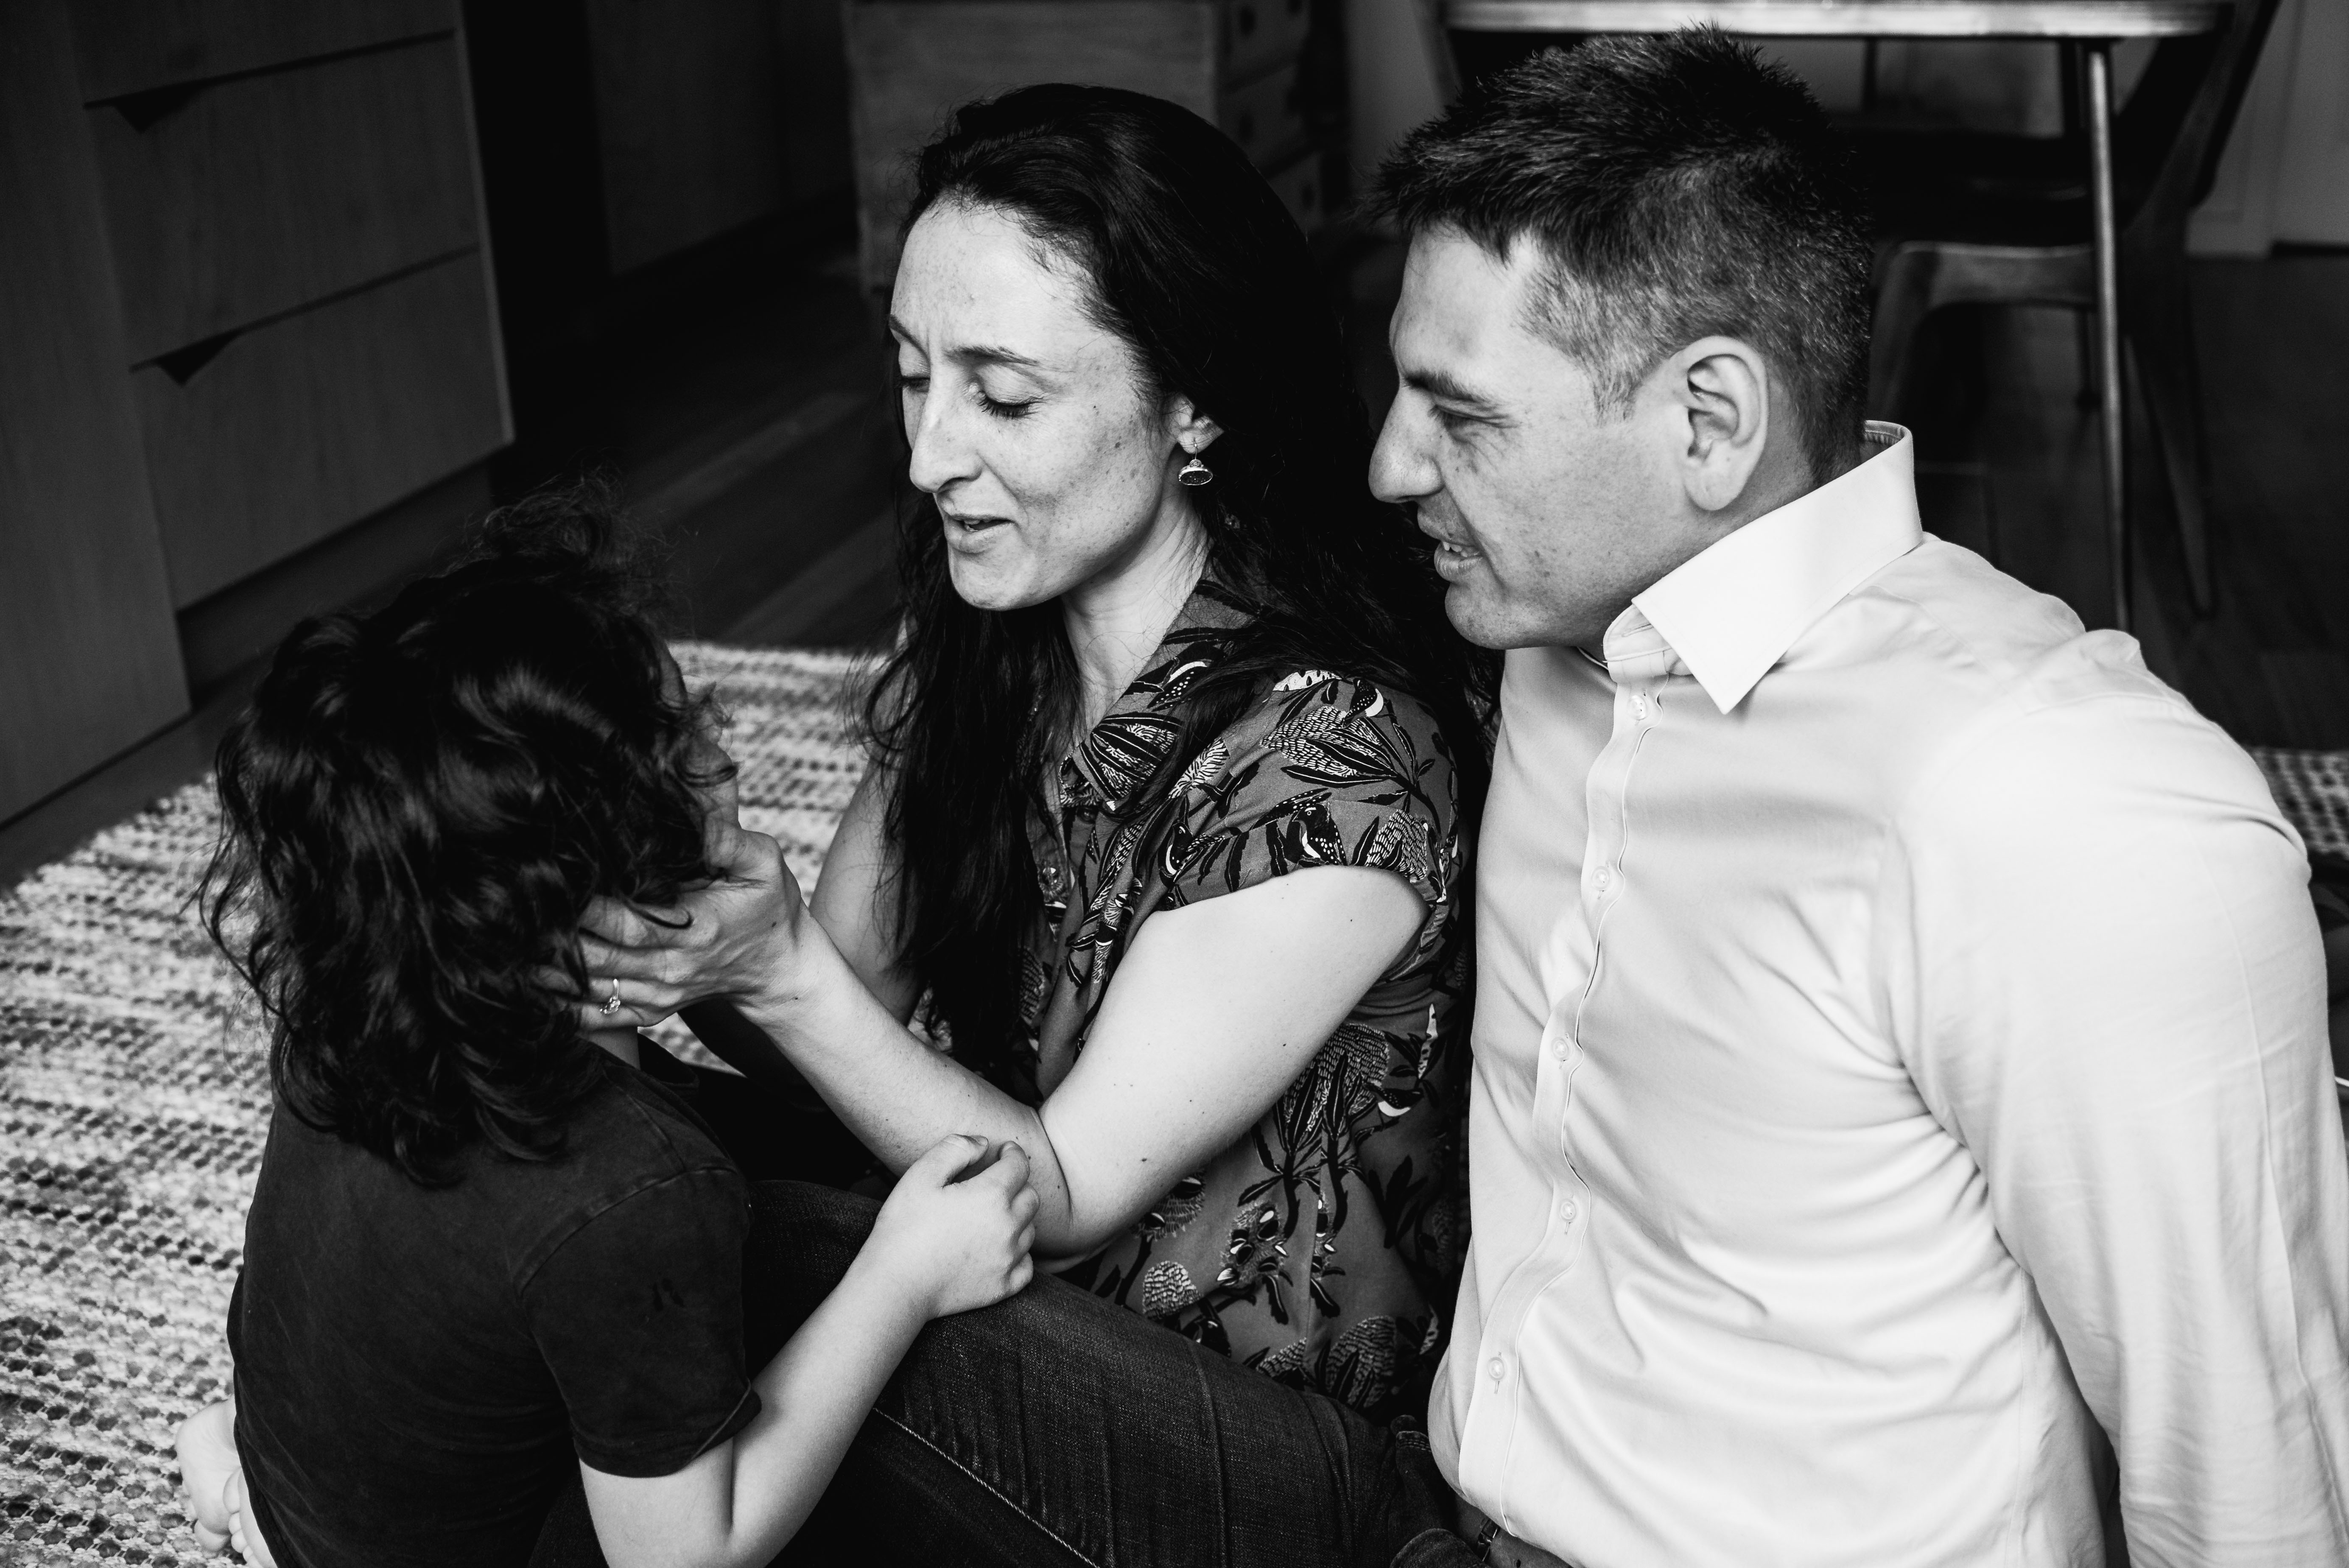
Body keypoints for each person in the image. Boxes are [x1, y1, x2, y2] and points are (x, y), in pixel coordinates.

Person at [1368, 30, 2349, 1568]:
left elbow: (2252, 1486)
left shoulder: (2045, 807)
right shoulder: (1547, 617)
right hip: (1439, 1503)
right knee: (877, 1313)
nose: (1389, 464)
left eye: (1457, 413)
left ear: (1707, 422)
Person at [581, 83, 1493, 1423]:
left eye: (1000, 397)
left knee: (640, 1310)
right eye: (911, 374)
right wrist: (670, 931)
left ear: (1195, 408)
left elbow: (1053, 1196)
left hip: (1228, 1432)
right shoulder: (993, 629)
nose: (929, 457)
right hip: (997, 1265)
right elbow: (846, 1030)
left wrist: (772, 973)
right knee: (540, 1132)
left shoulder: (1335, 763)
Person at [171, 493, 1040, 1568]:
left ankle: (244, 1487)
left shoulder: (356, 998)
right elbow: (685, 1558)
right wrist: (904, 1275)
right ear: (590, 900)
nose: (724, 749)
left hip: (306, 1487)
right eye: (685, 743)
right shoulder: (635, 1189)